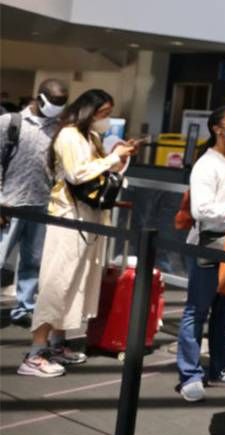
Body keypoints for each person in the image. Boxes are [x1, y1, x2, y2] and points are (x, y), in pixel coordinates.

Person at [22, 89, 140, 378]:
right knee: (57, 282)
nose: (106, 119)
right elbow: (77, 174)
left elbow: (101, 177)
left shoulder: (91, 137)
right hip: (68, 217)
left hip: (89, 217)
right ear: (90, 110)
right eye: (103, 113)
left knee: (75, 282)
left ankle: (57, 343)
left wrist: (119, 159)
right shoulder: (69, 135)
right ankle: (35, 352)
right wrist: (113, 158)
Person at [175, 106, 225, 402]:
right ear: (217, 128)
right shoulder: (206, 165)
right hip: (209, 243)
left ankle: (218, 368)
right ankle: (189, 374)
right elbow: (201, 210)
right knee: (197, 308)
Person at [0, 79, 68, 327]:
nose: (58, 108)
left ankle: (24, 307)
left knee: (33, 260)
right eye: (55, 103)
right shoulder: (10, 123)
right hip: (9, 203)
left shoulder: (58, 128)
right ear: (39, 98)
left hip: (41, 205)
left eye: (62, 104)